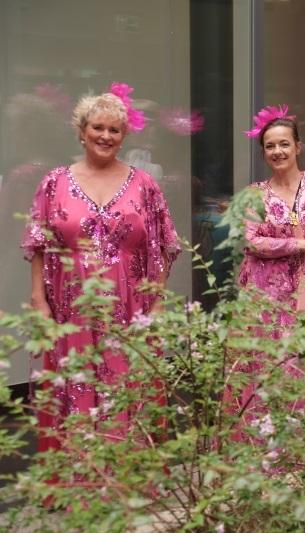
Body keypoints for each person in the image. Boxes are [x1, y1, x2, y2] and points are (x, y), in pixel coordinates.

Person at [22, 83, 179, 452]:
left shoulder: (145, 184)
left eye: (114, 130)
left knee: (127, 386)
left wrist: (158, 302)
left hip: (130, 307)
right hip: (70, 308)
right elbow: (38, 244)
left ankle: (127, 471)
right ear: (81, 131)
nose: (105, 136)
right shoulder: (54, 182)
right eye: (98, 127)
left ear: (124, 136)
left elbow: (165, 244)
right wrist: (38, 300)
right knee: (73, 384)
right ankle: (80, 475)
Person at [238, 105, 305, 318]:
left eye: (284, 144)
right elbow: (251, 242)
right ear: (263, 153)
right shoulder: (254, 194)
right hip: (268, 293)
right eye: (270, 146)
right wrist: (301, 245)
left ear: (298, 147)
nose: (277, 151)